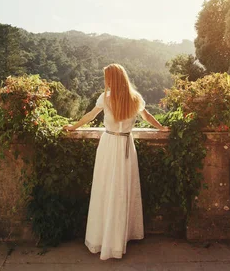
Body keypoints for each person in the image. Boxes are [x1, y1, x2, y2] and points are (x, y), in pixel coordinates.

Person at [64, 63, 169, 260]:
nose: (105, 82)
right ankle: (121, 236)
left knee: (105, 188)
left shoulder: (106, 98)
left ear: (112, 79)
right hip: (125, 145)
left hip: (109, 144)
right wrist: (161, 127)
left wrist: (73, 126)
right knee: (122, 189)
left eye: (107, 78)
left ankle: (105, 237)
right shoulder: (135, 98)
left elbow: (90, 116)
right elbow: (147, 116)